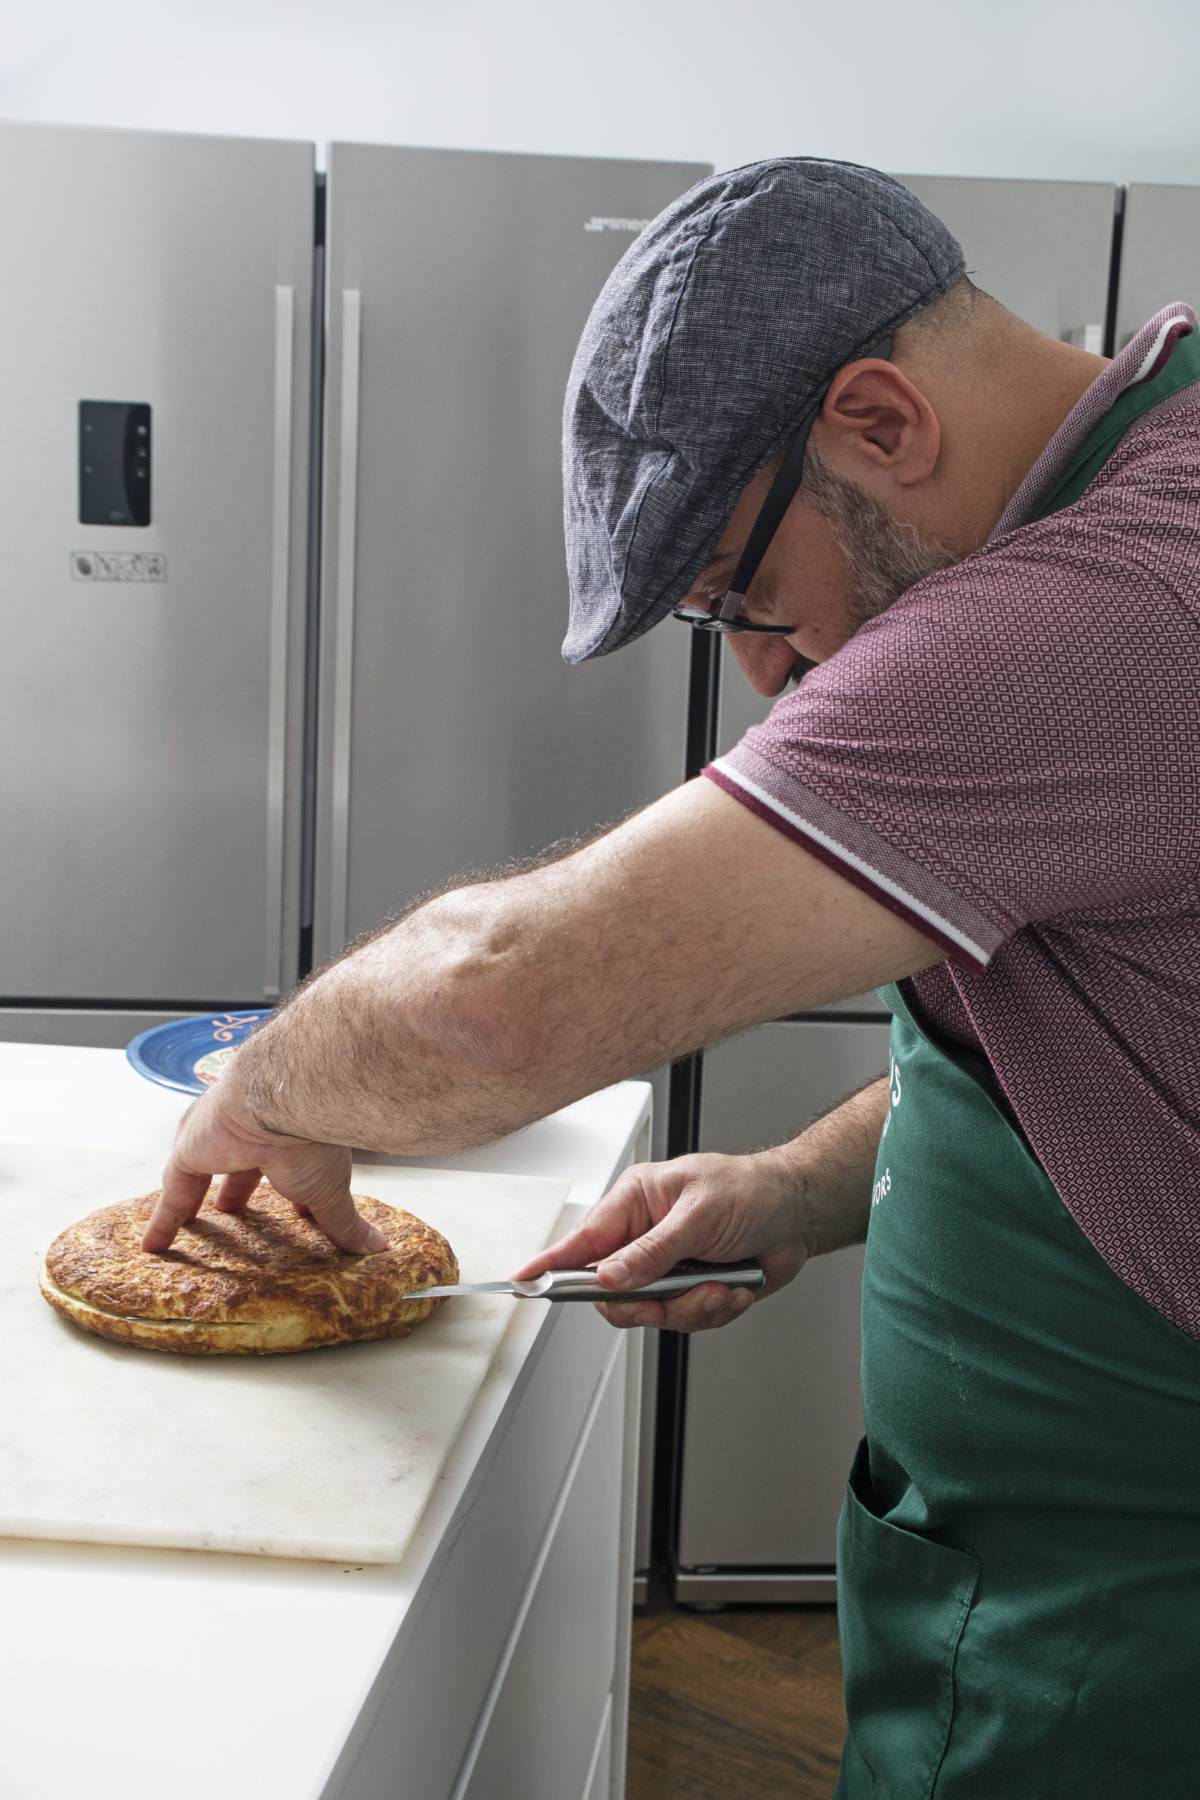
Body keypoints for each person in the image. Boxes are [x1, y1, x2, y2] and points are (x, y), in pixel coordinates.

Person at [143, 161, 1200, 1796]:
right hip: (1035, 1567)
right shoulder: (1147, 446)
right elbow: (1115, 1028)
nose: (771, 682)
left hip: (1126, 1618)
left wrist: (267, 1077)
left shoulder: (1092, 611)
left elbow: (495, 1003)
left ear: (880, 419)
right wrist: (792, 1184)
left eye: (744, 601)